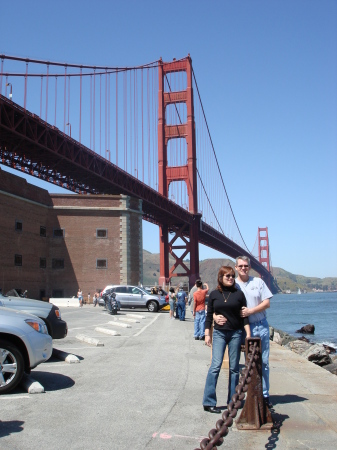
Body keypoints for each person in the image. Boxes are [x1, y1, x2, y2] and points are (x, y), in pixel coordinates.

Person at [202, 266, 251, 414]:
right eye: (227, 276)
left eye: (232, 276)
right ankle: (209, 401)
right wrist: (207, 334)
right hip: (219, 334)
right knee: (215, 366)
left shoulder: (239, 294)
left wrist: (248, 334)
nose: (230, 278)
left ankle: (232, 401)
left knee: (234, 369)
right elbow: (209, 315)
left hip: (236, 333)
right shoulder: (214, 294)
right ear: (221, 277)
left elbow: (244, 316)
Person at [235, 255, 273, 408]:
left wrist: (250, 311)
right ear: (236, 267)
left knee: (263, 362)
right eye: (241, 266)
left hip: (260, 325)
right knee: (247, 363)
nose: (243, 268)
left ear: (249, 267)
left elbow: (267, 303)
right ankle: (251, 393)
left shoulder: (258, 282)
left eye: (246, 266)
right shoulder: (233, 284)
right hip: (243, 329)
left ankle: (264, 395)